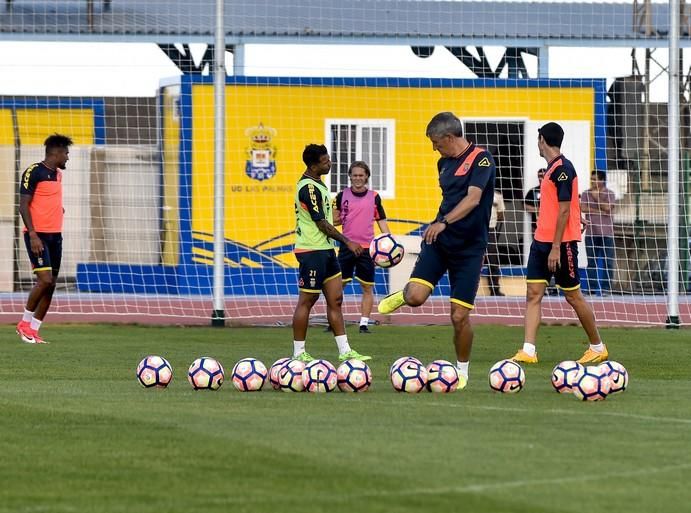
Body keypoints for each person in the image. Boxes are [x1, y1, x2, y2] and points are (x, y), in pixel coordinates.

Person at [377, 112, 496, 388]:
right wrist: (440, 225)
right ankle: (405, 294)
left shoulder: (482, 159)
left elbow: (473, 199)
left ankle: (462, 371)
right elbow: (450, 199)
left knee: (458, 316)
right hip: (439, 243)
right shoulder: (442, 163)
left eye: (435, 142)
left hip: (469, 250)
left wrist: (443, 222)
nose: (434, 148)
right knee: (416, 297)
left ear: (449, 137)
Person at [509, 122, 608, 365]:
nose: (537, 144)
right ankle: (528, 351)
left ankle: (597, 347)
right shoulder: (552, 168)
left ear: (542, 139)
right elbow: (565, 205)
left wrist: (555, 247)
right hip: (540, 242)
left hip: (560, 245)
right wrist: (577, 216)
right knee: (533, 294)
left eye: (537, 139)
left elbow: (563, 210)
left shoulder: (563, 168)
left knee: (573, 296)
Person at [292, 144, 371, 363]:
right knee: (307, 300)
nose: (330, 163)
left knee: (336, 299)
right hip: (312, 250)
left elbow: (328, 219)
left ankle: (345, 350)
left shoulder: (320, 185)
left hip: (326, 250)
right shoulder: (308, 187)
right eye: (326, 161)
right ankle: (298, 353)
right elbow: (320, 223)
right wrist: (348, 241)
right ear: (313, 164)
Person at [16, 133, 73, 344]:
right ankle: (23, 324)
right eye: (66, 153)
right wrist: (32, 235)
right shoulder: (34, 171)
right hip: (37, 236)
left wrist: (58, 209)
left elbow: (48, 199)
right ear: (56, 152)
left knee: (51, 284)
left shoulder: (58, 174)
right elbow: (23, 205)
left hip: (55, 236)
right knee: (44, 280)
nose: (67, 157)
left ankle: (34, 330)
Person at [333, 161, 391, 333]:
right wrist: (336, 216)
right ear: (349, 176)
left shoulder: (374, 197)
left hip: (368, 249)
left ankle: (364, 323)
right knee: (337, 286)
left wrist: (388, 241)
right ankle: (334, 320)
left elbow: (381, 221)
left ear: (366, 177)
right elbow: (334, 220)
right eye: (355, 175)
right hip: (347, 247)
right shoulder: (341, 196)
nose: (358, 178)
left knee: (367, 287)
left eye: (361, 175)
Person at [580, 170, 616, 296]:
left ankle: (606, 288)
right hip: (591, 233)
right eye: (592, 179)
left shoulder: (610, 193)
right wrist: (600, 210)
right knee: (591, 262)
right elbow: (582, 208)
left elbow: (608, 208)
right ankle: (591, 288)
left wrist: (596, 198)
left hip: (607, 233)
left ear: (602, 180)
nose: (593, 182)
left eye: (595, 179)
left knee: (608, 261)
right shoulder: (585, 193)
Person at [486, 189, 505, 296]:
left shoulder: (497, 195)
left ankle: (495, 289)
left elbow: (501, 214)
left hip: (491, 230)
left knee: (493, 260)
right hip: (475, 229)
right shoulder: (474, 190)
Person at [523, 168, 545, 234]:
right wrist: (538, 209)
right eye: (539, 176)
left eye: (543, 176)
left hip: (551, 226)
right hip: (536, 226)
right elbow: (525, 206)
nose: (541, 178)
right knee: (536, 244)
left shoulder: (554, 191)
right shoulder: (533, 191)